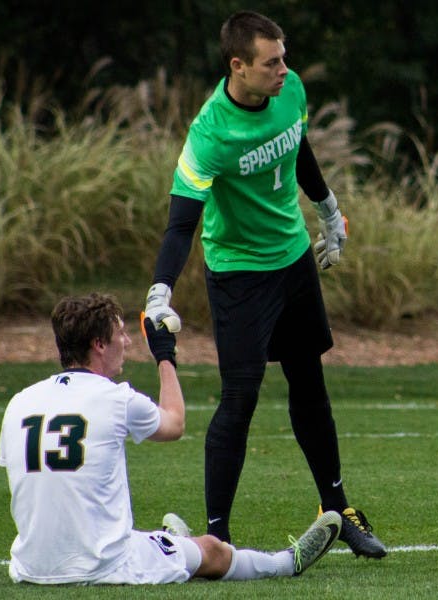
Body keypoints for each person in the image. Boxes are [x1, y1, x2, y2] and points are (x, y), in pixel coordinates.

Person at [143, 10, 386, 558]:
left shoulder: (290, 89)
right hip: (239, 275)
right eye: (271, 62)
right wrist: (161, 288)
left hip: (294, 260)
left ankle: (339, 510)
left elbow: (297, 147)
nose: (284, 69)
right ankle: (216, 538)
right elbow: (183, 222)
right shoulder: (209, 134)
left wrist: (328, 211)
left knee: (310, 384)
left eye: (284, 58)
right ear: (238, 67)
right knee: (240, 398)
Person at [0, 293, 341, 585]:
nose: (128, 342)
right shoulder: (115, 398)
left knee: (131, 536)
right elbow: (174, 424)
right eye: (121, 334)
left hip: (30, 567)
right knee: (212, 549)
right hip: (103, 565)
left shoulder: (20, 401)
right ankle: (286, 562)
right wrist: (164, 355)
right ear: (99, 344)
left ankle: (170, 543)